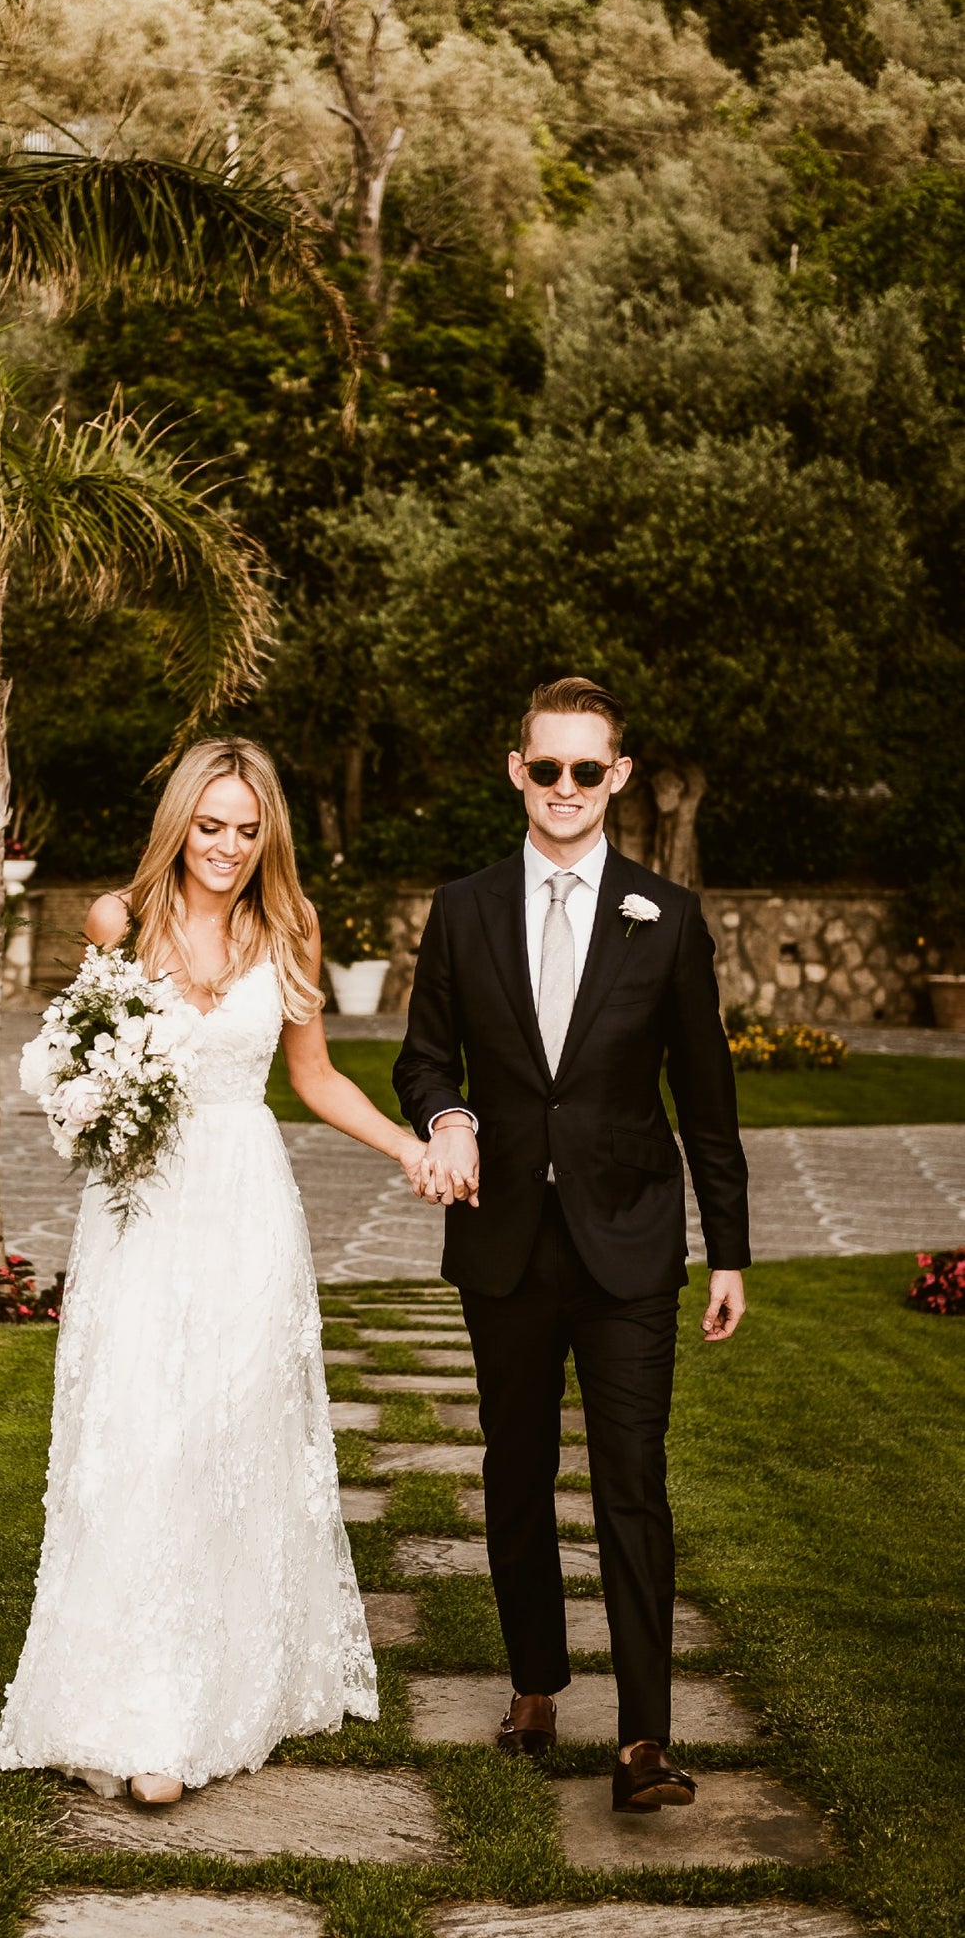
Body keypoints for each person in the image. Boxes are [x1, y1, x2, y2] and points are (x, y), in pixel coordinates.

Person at [0, 737, 426, 1805]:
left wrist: (408, 1147)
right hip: (139, 1214)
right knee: (140, 1435)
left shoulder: (289, 926)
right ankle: (137, 1706)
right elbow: (79, 1060)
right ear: (179, 822)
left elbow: (314, 1077)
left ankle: (215, 1692)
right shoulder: (117, 921)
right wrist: (91, 1105)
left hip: (244, 1206)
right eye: (209, 824)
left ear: (267, 833)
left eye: (246, 828)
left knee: (228, 1434)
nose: (226, 846)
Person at [393, 676, 749, 1814]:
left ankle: (644, 1737)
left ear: (617, 776)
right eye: (544, 767)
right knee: (515, 1470)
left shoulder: (667, 916)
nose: (563, 787)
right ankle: (535, 1686)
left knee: (632, 1482)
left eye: (584, 770)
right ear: (517, 770)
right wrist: (448, 1115)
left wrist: (728, 1250)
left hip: (629, 1243)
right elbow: (422, 1058)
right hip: (502, 1242)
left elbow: (706, 1098)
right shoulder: (463, 909)